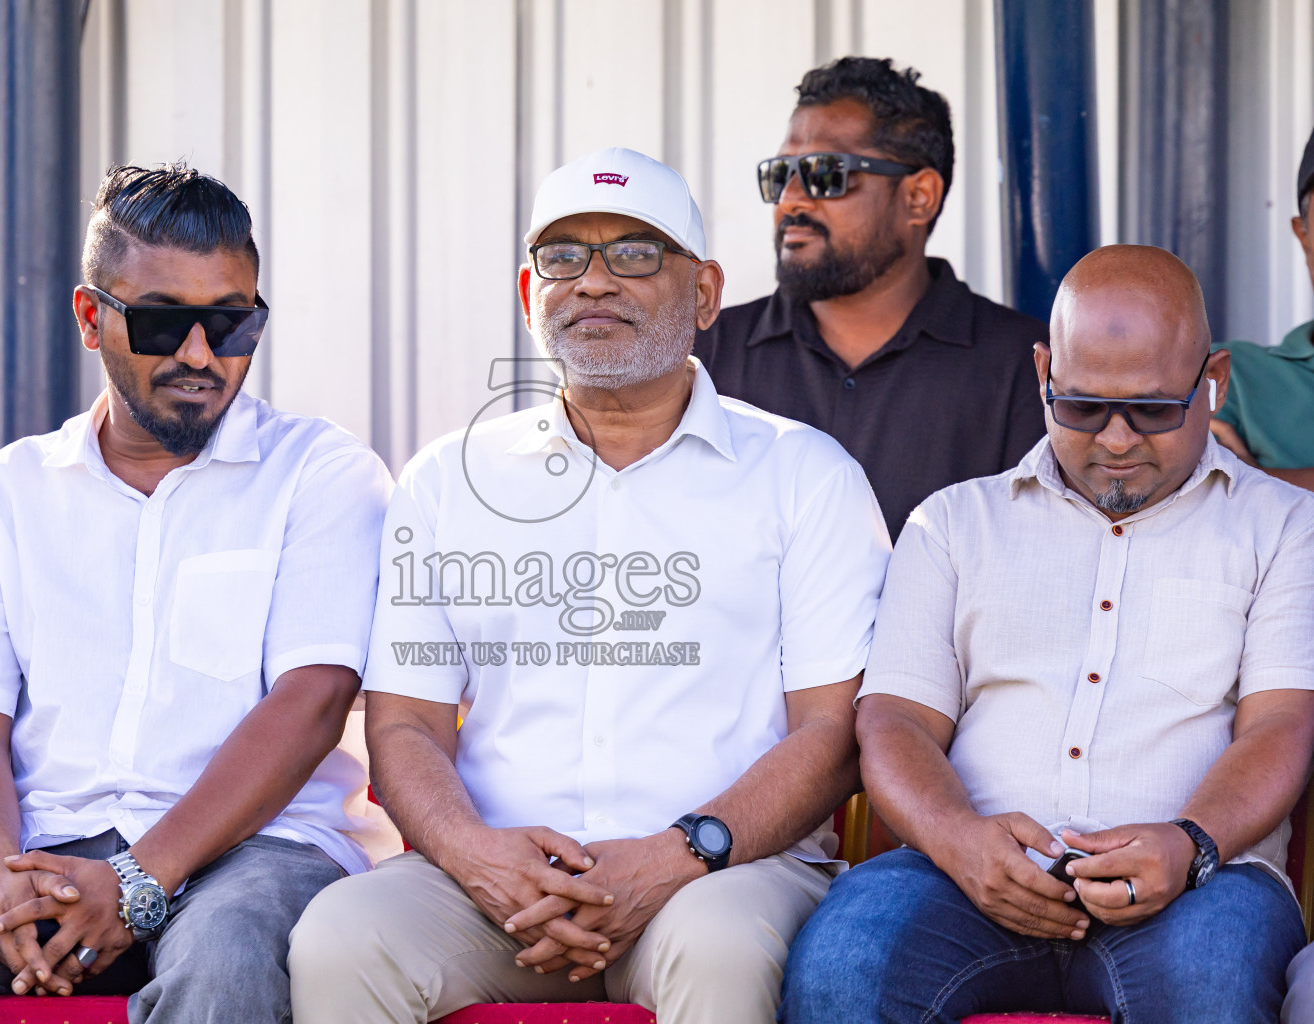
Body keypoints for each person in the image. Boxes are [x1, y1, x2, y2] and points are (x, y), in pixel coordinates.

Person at [288, 147, 891, 1024]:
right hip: (493, 886)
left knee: (721, 951)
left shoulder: (806, 477)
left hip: (722, 875)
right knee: (342, 940)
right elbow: (406, 722)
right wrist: (476, 857)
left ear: (706, 292)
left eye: (636, 254)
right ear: (531, 295)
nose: (595, 282)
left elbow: (833, 731)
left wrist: (677, 856)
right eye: (563, 257)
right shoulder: (448, 481)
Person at [0, 164, 392, 1024]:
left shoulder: (320, 473)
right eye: (161, 322)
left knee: (224, 966)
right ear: (92, 317)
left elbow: (314, 698)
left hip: (258, 848)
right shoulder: (5, 492)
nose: (201, 354)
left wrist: (137, 880)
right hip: (44, 841)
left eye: (230, 322)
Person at [783, 245, 1314, 1023]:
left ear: (1215, 382)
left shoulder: (1283, 526)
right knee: (844, 970)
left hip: (1202, 881)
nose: (1118, 438)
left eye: (1155, 410)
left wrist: (1190, 843)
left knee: (1208, 986)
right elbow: (894, 721)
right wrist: (958, 840)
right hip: (957, 876)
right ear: (1043, 373)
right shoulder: (953, 524)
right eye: (1084, 407)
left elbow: (1282, 723)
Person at [694, 56, 1046, 539]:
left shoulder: (1025, 368)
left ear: (919, 196)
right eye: (780, 175)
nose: (791, 200)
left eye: (824, 173)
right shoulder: (704, 355)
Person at [1210, 123, 1314, 492]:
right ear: (1304, 236)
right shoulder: (1232, 375)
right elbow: (1194, 500)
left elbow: (1235, 490)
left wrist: (1257, 481)